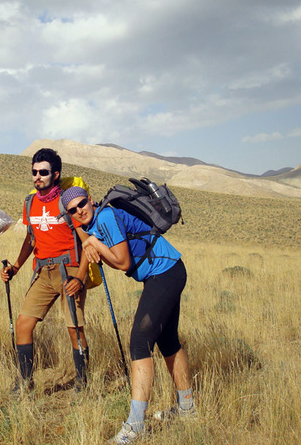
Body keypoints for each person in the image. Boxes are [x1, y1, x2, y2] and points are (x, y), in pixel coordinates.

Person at [59, 186, 196, 445]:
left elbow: (123, 263)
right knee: (168, 342)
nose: (79, 211)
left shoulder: (106, 217)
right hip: (169, 270)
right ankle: (187, 410)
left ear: (90, 200)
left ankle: (134, 425)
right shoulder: (94, 224)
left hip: (165, 273)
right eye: (73, 210)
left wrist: (95, 245)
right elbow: (120, 259)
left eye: (81, 204)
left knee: (139, 342)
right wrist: (93, 246)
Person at [1, 148, 90, 393]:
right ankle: (25, 382)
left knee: (75, 329)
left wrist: (80, 278)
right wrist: (16, 267)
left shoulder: (67, 202)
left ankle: (83, 384)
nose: (37, 176)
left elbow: (87, 243)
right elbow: (31, 239)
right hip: (42, 271)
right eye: (34, 172)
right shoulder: (29, 202)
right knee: (23, 324)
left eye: (43, 172)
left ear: (56, 174)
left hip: (69, 270)